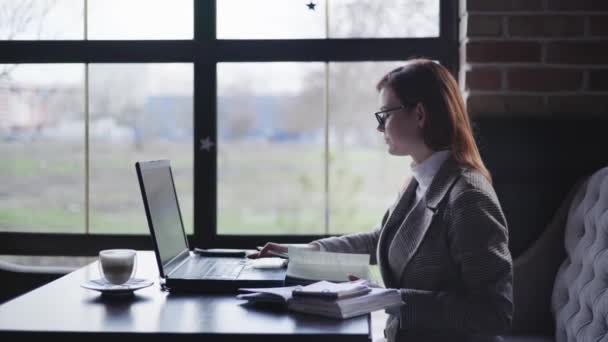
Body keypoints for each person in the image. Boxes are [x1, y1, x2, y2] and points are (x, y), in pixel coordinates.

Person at [254, 58, 513, 342]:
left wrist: (389, 299)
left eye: (385, 114)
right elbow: (384, 240)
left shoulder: (468, 198)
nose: (380, 128)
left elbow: (494, 312)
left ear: (419, 114)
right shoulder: (421, 180)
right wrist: (303, 251)